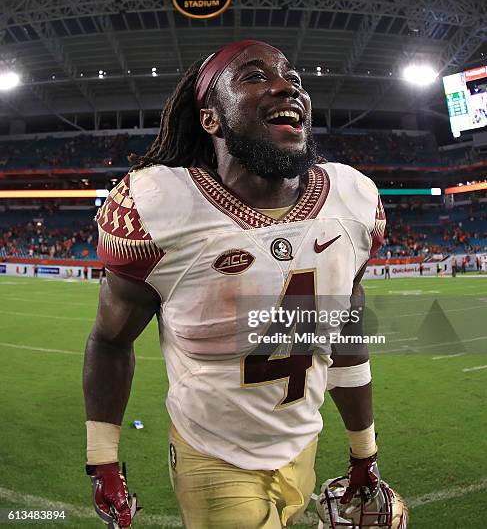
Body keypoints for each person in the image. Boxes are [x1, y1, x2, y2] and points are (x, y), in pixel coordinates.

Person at [82, 40, 388, 529]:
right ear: (211, 119)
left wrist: (363, 454)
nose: (287, 86)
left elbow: (346, 345)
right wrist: (103, 461)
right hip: (212, 455)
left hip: (303, 443)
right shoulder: (158, 205)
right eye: (253, 77)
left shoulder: (352, 199)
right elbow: (109, 339)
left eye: (293, 78)